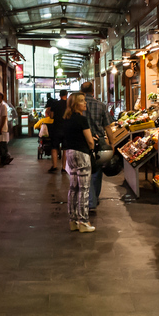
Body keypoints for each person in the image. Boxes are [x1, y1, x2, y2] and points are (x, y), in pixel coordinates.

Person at [63, 92, 96, 233]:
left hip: (70, 153)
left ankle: (73, 220)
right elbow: (89, 140)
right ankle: (83, 221)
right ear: (76, 104)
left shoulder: (67, 119)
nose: (85, 103)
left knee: (73, 187)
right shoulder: (82, 119)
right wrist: (93, 144)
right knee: (84, 189)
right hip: (82, 154)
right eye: (82, 101)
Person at [81, 81, 113, 212]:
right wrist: (112, 143)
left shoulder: (79, 107)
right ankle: (94, 198)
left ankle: (89, 199)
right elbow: (107, 126)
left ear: (82, 92)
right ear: (93, 91)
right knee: (97, 170)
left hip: (82, 141)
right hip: (99, 142)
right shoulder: (101, 105)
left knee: (84, 170)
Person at [45, 89, 68, 173]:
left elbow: (51, 116)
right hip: (66, 129)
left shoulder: (55, 104)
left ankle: (54, 166)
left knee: (54, 147)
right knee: (65, 149)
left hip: (57, 128)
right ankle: (64, 168)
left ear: (60, 95)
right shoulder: (69, 104)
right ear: (67, 94)